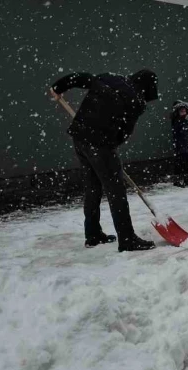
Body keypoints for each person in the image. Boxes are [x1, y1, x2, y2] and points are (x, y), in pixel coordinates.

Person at [50, 69, 159, 252]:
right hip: (100, 145)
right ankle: (127, 239)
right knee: (116, 192)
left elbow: (83, 77)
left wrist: (59, 86)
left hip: (80, 138)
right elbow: (124, 132)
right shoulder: (136, 102)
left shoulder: (109, 78)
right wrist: (111, 147)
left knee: (93, 187)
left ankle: (92, 234)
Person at [171, 100, 188, 187]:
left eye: (184, 110)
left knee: (187, 162)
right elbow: (178, 132)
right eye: (181, 111)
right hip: (179, 145)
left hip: (186, 145)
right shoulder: (177, 121)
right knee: (179, 162)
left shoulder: (186, 120)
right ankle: (177, 180)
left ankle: (187, 179)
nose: (183, 112)